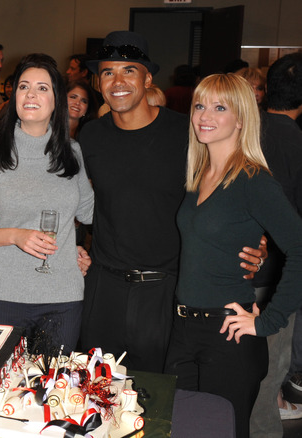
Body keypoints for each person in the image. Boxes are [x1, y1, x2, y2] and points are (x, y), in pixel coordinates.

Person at [79, 31, 264, 373]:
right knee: (97, 389)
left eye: (128, 71)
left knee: (160, 399)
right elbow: (72, 199)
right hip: (104, 288)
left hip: (166, 290)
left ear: (148, 78)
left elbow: (235, 188)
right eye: (107, 72)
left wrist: (257, 241)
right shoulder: (90, 135)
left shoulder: (187, 134)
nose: (117, 81)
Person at [164, 73, 302, 438]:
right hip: (183, 330)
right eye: (199, 105)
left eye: (219, 107)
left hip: (228, 336)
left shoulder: (253, 179)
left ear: (240, 119)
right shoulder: (200, 174)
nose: (204, 116)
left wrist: (267, 322)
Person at [0, 53, 93, 351]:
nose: (31, 94)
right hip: (5, 294)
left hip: (63, 295)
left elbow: (88, 211)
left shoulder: (73, 152)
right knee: (4, 386)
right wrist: (15, 236)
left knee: (55, 388)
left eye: (42, 88)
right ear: (14, 94)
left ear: (56, 98)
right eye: (23, 86)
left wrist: (80, 248)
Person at [249, 52, 302, 434]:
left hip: (232, 271)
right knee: (268, 374)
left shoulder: (245, 130)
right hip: (278, 277)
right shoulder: (297, 143)